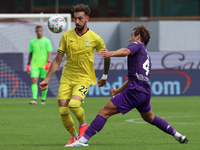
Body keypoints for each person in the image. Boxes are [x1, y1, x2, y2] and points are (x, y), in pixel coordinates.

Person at [69, 24, 188, 147]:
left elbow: (126, 51)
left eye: (131, 36)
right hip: (145, 93)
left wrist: (110, 53)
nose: (129, 40)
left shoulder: (136, 45)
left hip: (135, 92)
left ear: (138, 36)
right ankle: (178, 135)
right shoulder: (147, 55)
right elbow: (133, 78)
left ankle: (83, 141)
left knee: (104, 111)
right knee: (150, 118)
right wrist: (118, 91)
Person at [39, 4, 110, 147]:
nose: (77, 21)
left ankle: (83, 125)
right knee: (63, 112)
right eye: (75, 19)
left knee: (74, 105)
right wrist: (46, 78)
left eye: (80, 18)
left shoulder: (95, 38)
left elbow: (107, 56)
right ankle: (75, 137)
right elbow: (58, 59)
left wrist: (105, 76)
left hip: (84, 78)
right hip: (66, 78)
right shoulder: (66, 36)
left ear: (87, 19)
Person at [27, 25, 53, 105]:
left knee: (44, 82)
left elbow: (49, 52)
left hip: (44, 65)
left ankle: (43, 99)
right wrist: (28, 63)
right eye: (37, 31)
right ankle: (34, 99)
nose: (39, 32)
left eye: (40, 31)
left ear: (42, 31)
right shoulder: (32, 42)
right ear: (36, 31)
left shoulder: (47, 41)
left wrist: (48, 62)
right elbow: (31, 53)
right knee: (34, 81)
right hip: (34, 65)